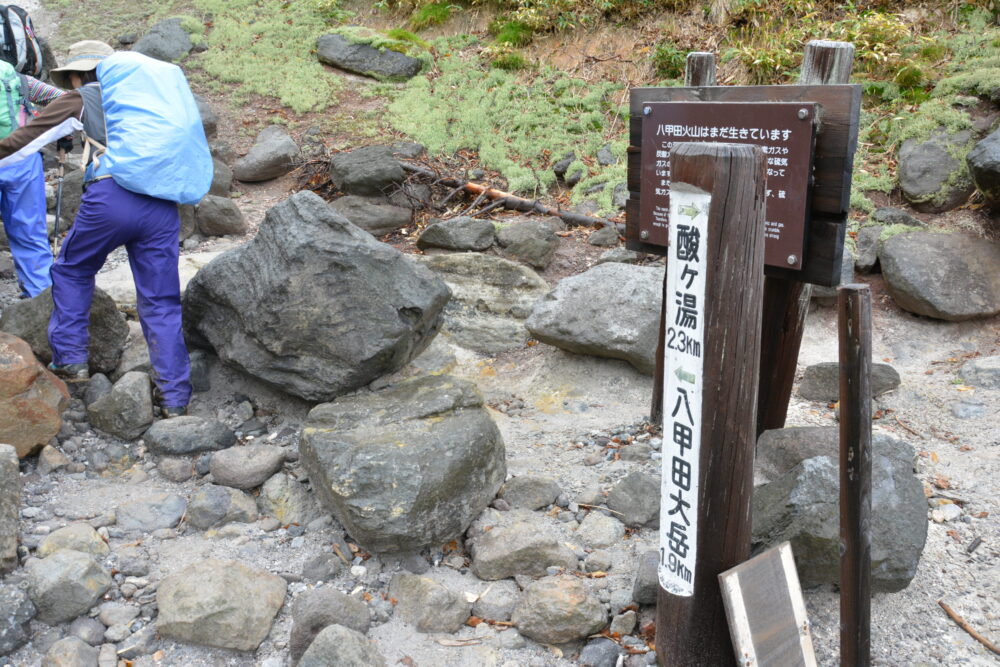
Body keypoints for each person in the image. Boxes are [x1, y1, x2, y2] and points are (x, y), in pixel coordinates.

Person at [0, 40, 207, 418]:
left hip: (112, 197)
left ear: (82, 73)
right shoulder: (153, 101)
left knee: (73, 269)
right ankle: (175, 398)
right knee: (160, 301)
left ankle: (72, 359)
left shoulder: (85, 96)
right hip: (162, 203)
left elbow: (22, 145)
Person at [0, 60, 66, 298]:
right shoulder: (19, 79)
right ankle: (41, 297)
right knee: (30, 231)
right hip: (22, 159)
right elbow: (62, 99)